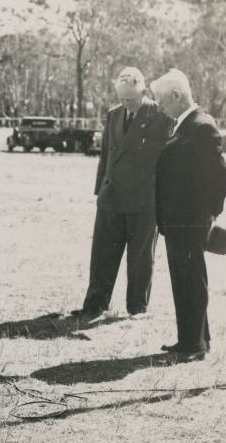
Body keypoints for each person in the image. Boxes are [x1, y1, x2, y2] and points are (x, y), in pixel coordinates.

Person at [73, 68, 172, 320]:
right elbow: (106, 155)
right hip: (111, 197)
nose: (126, 104)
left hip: (144, 200)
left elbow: (167, 160)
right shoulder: (113, 115)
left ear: (143, 91)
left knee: (140, 259)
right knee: (102, 254)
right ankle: (95, 304)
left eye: (131, 98)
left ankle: (137, 308)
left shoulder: (160, 116)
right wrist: (100, 189)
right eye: (122, 99)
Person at [152, 69, 226, 363]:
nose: (160, 107)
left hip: (190, 220)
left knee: (191, 281)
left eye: (162, 101)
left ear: (177, 95)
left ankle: (194, 344)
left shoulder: (201, 126)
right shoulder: (184, 125)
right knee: (184, 281)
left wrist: (210, 213)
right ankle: (192, 339)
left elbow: (219, 176)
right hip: (178, 220)